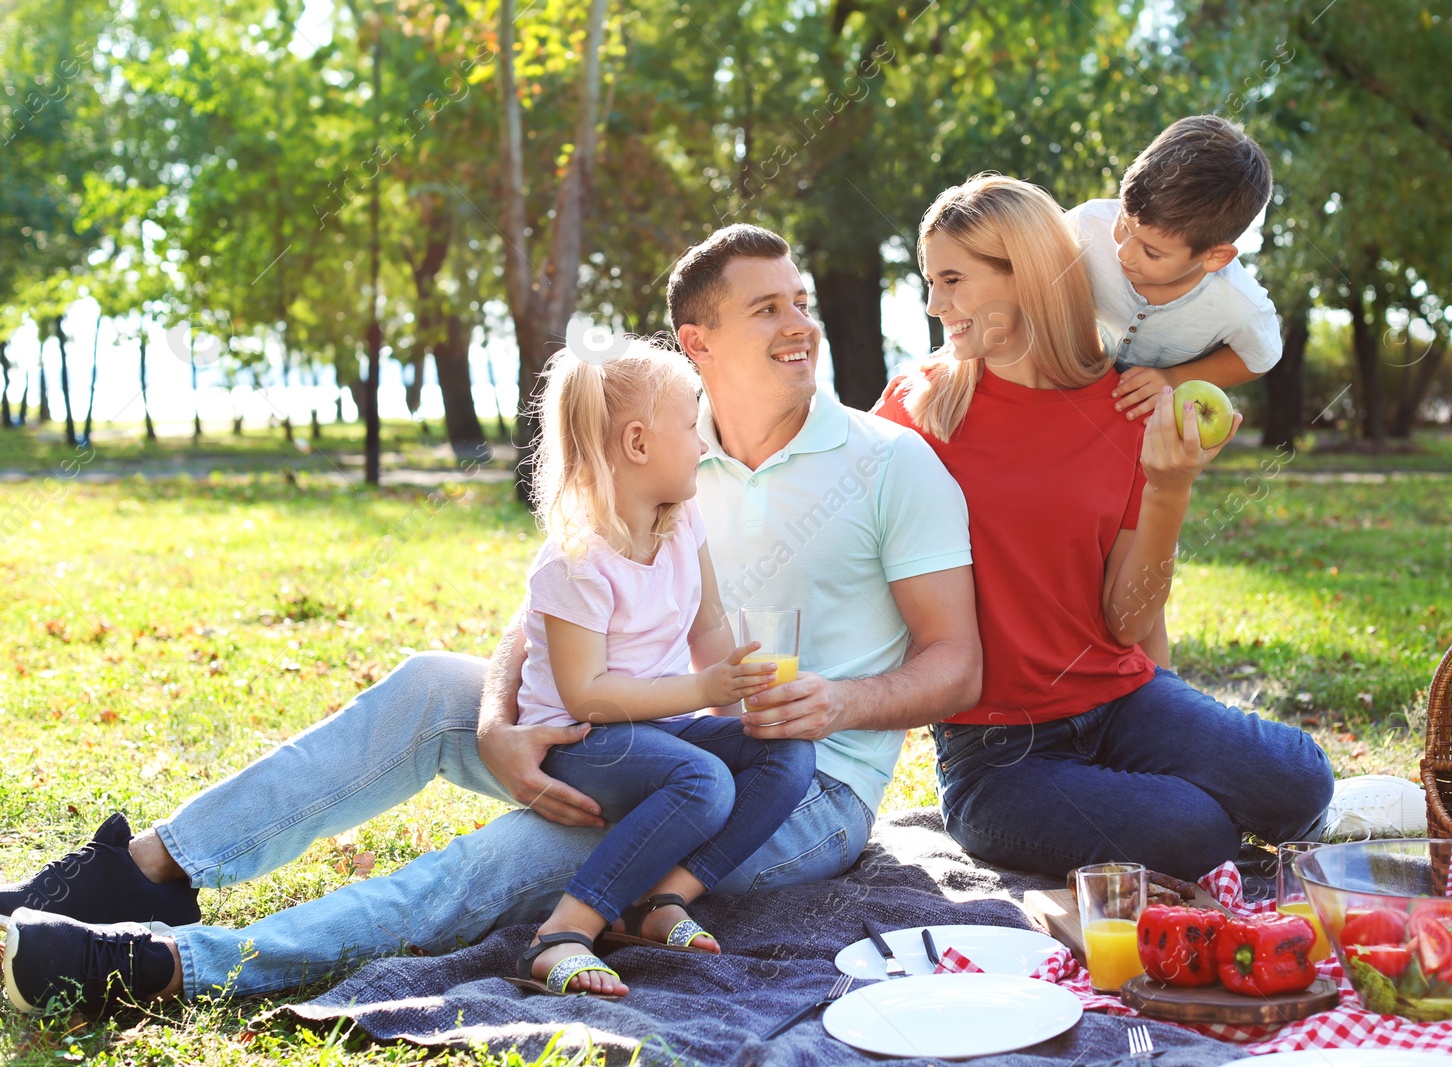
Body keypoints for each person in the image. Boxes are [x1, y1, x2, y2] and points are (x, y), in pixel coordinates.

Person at [1, 224, 981, 1016]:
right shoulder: (663, 458)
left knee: (504, 860)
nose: (800, 325)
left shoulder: (890, 464)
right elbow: (544, 606)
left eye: (802, 302)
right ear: (697, 342)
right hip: (641, 726)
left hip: (797, 786)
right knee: (435, 677)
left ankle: (174, 962)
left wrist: (830, 698)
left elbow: (957, 667)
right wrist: (496, 721)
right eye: (769, 307)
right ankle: (141, 871)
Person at [874, 174, 1332, 883]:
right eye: (931, 281)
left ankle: (1184, 801)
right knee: (1194, 831)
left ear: (1025, 275)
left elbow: (1127, 620)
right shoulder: (915, 408)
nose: (936, 305)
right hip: (998, 752)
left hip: (1121, 698)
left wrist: (1171, 489)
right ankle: (1182, 820)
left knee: (1301, 779)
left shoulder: (1125, 402)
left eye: (953, 280)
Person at [508, 345, 814, 996]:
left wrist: (742, 698)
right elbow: (586, 696)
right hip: (579, 743)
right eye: (690, 422)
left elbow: (706, 626)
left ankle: (659, 900)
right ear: (639, 442)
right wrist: (703, 690)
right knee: (702, 780)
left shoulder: (680, 523)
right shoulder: (575, 559)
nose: (702, 439)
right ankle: (562, 930)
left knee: (786, 751)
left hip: (661, 728)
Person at [1067, 114, 1282, 667]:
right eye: (1125, 226)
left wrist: (1174, 380)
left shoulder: (1240, 305)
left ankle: (1158, 698)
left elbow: (1259, 359)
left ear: (1214, 256)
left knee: (1137, 578)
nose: (1125, 254)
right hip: (1072, 412)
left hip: (1144, 438)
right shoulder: (1086, 228)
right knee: (1072, 555)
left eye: (1152, 252)